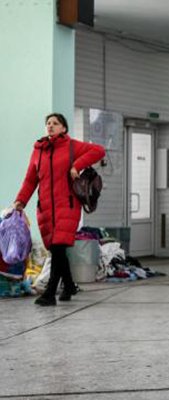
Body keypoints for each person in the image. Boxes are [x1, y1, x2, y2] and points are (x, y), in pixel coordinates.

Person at [14, 113, 105, 306]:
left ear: (64, 128)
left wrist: (77, 165)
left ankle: (50, 293)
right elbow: (30, 180)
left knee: (58, 246)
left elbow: (99, 150)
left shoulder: (72, 146)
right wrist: (20, 201)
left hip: (67, 206)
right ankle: (70, 285)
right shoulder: (38, 151)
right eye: (48, 123)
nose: (50, 126)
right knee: (57, 250)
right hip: (46, 208)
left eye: (55, 123)